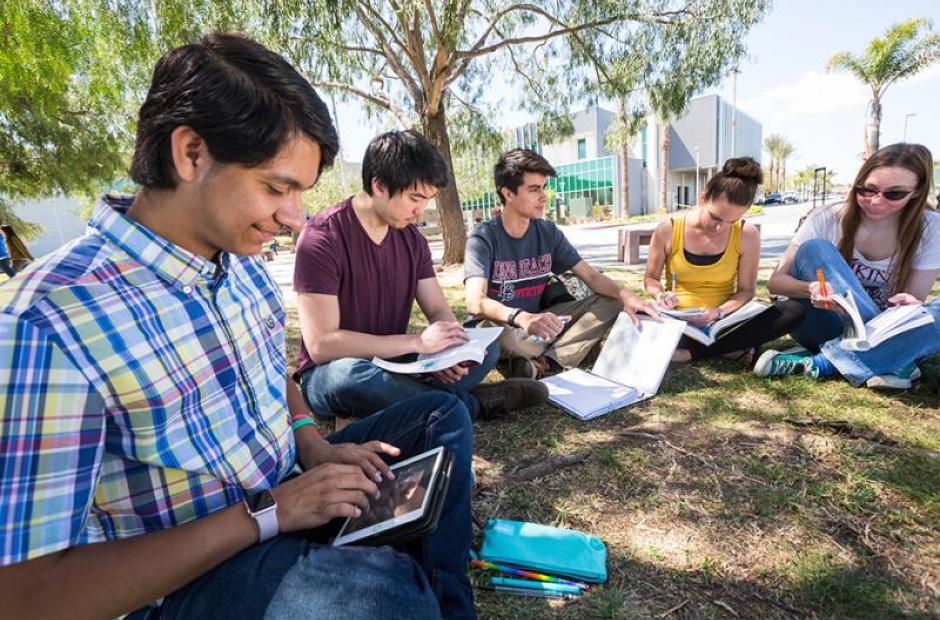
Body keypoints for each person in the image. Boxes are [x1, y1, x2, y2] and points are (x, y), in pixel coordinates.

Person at [0, 33, 476, 620]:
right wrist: (271, 510)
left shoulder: (242, 261)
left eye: (300, 193)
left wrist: (315, 445)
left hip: (287, 490)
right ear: (191, 153)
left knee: (441, 417)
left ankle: (446, 602)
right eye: (276, 188)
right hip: (187, 576)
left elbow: (270, 379)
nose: (292, 217)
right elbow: (25, 595)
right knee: (385, 598)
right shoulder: (48, 320)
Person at [295, 131, 547, 427]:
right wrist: (417, 342)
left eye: (428, 200)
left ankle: (421, 401)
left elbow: (438, 309)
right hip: (333, 372)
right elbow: (322, 345)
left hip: (399, 363)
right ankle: (470, 404)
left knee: (487, 346)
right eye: (415, 198)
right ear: (378, 185)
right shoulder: (322, 237)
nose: (421, 211)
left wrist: (449, 353)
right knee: (346, 377)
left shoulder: (412, 239)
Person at [755, 143, 940, 390]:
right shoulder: (828, 217)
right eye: (867, 190)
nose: (876, 201)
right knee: (815, 248)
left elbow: (912, 303)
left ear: (917, 192)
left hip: (889, 332)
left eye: (894, 194)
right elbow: (776, 282)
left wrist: (912, 304)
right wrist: (810, 288)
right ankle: (890, 361)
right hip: (827, 324)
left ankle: (822, 364)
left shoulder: (930, 229)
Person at [464, 149, 659, 379]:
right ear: (508, 193)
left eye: (543, 188)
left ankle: (545, 362)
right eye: (534, 190)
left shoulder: (548, 232)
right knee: (501, 338)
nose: (544, 197)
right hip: (504, 325)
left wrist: (627, 295)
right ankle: (569, 348)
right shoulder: (484, 237)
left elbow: (592, 278)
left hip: (541, 321)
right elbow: (475, 302)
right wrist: (523, 318)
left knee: (612, 302)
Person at [643, 157, 805, 364]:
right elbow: (650, 279)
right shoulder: (669, 229)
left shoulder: (747, 234)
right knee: (633, 311)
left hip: (724, 321)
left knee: (792, 311)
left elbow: (746, 290)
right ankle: (729, 349)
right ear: (703, 199)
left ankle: (691, 353)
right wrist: (660, 295)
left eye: (732, 221)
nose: (720, 228)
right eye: (716, 217)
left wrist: (718, 312)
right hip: (677, 318)